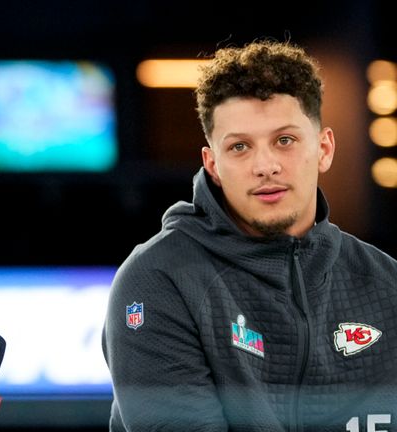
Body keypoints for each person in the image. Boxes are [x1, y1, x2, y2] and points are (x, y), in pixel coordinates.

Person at [102, 40, 397, 431]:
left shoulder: (386, 282)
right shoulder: (160, 279)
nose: (265, 165)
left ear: (324, 149)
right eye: (239, 147)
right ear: (213, 165)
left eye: (285, 140)